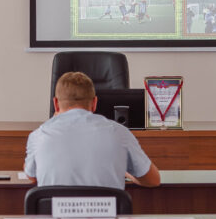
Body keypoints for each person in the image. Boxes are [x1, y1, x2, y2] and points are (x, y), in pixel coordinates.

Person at [25, 71, 160, 189]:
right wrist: (125, 172)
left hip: (55, 211)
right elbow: (153, 180)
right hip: (107, 212)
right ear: (95, 103)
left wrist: (51, 122)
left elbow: (31, 176)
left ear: (55, 104)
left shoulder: (38, 135)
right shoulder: (120, 133)